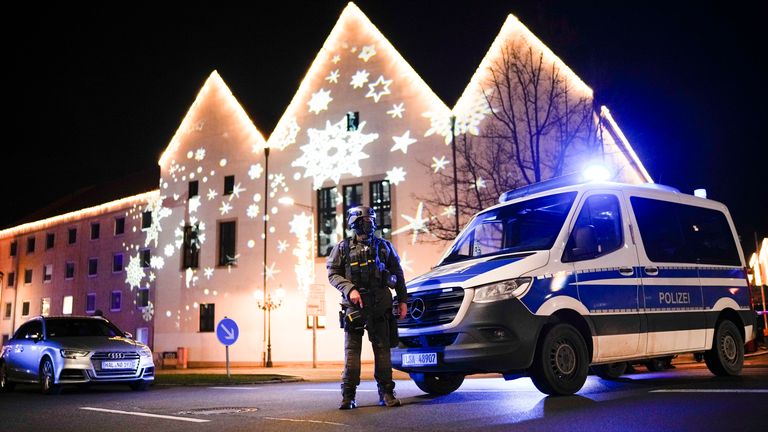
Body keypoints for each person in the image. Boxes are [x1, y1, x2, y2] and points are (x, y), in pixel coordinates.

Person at [327, 206, 408, 410]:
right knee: (352, 354)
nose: (369, 224)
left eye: (371, 220)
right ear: (354, 223)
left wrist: (403, 300)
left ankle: (387, 393)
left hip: (380, 306)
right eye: (365, 221)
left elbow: (398, 274)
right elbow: (333, 273)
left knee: (383, 352)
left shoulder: (384, 247)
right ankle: (348, 396)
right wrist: (350, 289)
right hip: (355, 306)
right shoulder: (343, 248)